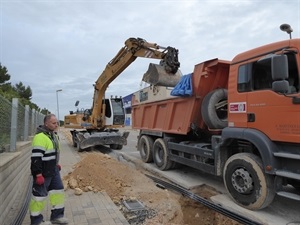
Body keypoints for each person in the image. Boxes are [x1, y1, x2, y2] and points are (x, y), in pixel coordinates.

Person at [29, 114, 68, 225]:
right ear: (46, 123)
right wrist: (38, 174)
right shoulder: (40, 137)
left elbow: (53, 152)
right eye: (53, 123)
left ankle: (57, 217)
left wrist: (56, 164)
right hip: (43, 173)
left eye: (57, 123)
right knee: (39, 197)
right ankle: (36, 221)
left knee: (58, 191)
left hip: (53, 171)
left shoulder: (53, 135)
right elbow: (36, 158)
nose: (56, 125)